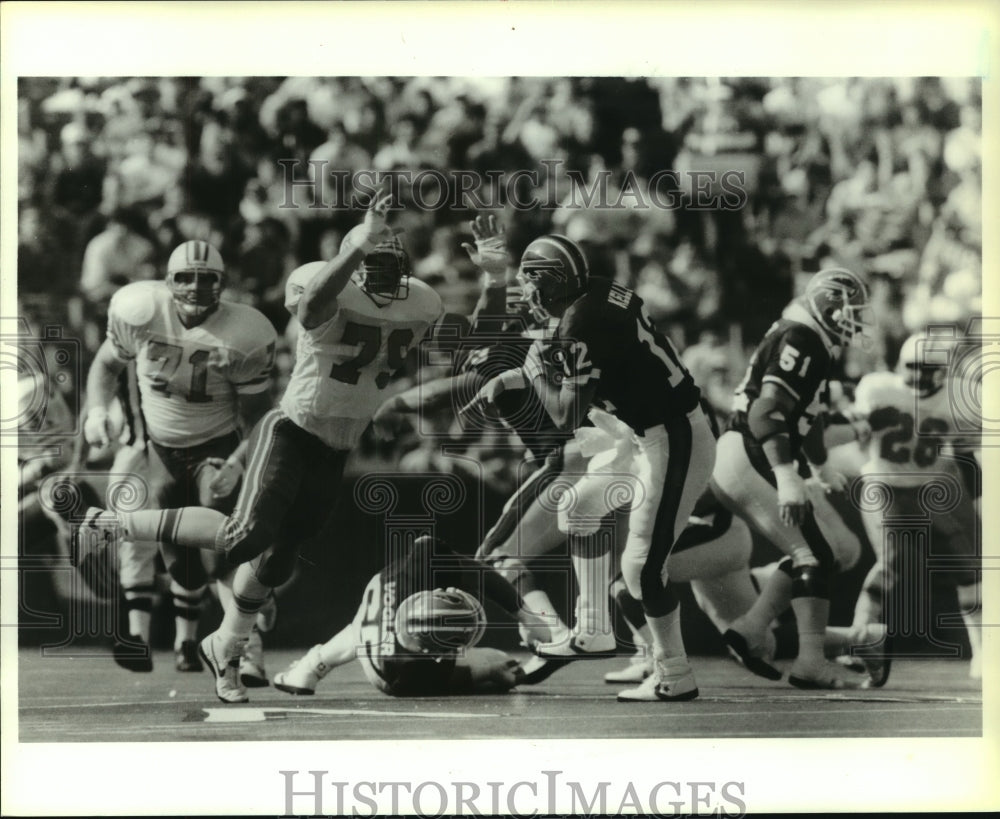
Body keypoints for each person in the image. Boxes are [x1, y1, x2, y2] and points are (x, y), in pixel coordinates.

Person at [73, 193, 445, 703]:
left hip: (338, 446)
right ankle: (110, 524)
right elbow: (314, 305)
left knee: (279, 559)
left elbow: (429, 353)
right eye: (370, 264)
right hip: (291, 430)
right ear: (352, 263)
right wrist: (357, 246)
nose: (382, 275)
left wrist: (490, 284)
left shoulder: (423, 302)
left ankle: (225, 644)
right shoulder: (323, 288)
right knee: (244, 537)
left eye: (389, 265)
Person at [464, 234, 717, 703]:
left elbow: (563, 416)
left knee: (641, 567)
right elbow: (599, 363)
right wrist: (516, 358)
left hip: (674, 437)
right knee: (577, 507)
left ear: (554, 282)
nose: (528, 292)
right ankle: (595, 627)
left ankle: (675, 673)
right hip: (638, 433)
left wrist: (532, 364)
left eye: (531, 281)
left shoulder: (581, 322)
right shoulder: (594, 293)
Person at [78, 239, 277, 677]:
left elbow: (262, 418)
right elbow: (106, 366)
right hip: (161, 453)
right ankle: (225, 627)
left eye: (207, 278)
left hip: (216, 451)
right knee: (184, 570)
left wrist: (239, 462)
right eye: (184, 277)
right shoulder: (140, 310)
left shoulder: (244, 331)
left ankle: (249, 651)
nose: (195, 286)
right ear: (167, 281)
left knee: (223, 553)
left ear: (222, 283)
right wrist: (96, 410)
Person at [710, 267, 875, 689]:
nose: (855, 323)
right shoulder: (801, 339)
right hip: (750, 448)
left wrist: (818, 466)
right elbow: (768, 412)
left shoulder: (809, 339)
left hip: (745, 450)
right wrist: (786, 474)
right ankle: (809, 662)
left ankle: (750, 630)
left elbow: (809, 420)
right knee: (816, 554)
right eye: (850, 312)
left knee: (819, 550)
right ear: (829, 307)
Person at [848, 330, 982, 679]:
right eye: (912, 367)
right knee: (892, 563)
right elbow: (855, 429)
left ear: (944, 371)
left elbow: (966, 457)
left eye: (927, 368)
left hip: (932, 489)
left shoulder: (956, 398)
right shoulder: (878, 388)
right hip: (885, 486)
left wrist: (978, 505)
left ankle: (982, 652)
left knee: (967, 564)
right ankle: (861, 632)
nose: (918, 376)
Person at [273, 536, 551, 697]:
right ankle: (312, 665)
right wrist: (490, 674)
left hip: (375, 616)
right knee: (501, 663)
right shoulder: (411, 671)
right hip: (389, 671)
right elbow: (454, 677)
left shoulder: (413, 570)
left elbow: (458, 561)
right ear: (435, 652)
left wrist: (524, 615)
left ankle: (311, 666)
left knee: (364, 628)